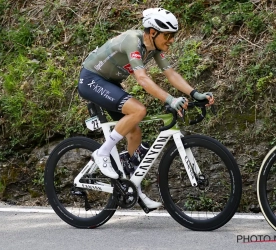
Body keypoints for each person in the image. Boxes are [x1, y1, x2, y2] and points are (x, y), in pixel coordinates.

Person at [78, 7, 214, 209]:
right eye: (167, 35)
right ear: (153, 32)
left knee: (134, 132)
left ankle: (134, 189)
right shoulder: (133, 41)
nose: (171, 40)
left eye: (173, 35)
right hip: (91, 79)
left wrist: (194, 93)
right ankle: (102, 153)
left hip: (110, 83)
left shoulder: (154, 48)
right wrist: (169, 99)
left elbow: (170, 73)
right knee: (138, 110)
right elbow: (141, 78)